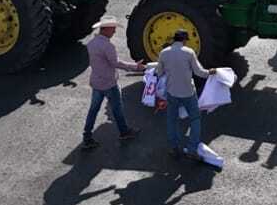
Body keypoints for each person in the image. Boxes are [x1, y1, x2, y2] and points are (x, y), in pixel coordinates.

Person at [153, 30, 219, 161]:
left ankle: (174, 148)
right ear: (184, 40)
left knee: (172, 120)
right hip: (188, 92)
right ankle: (192, 150)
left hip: (172, 92)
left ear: (174, 39)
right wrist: (211, 72)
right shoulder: (189, 52)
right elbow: (199, 72)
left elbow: (158, 73)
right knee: (195, 119)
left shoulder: (164, 53)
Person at [82, 17, 145, 149]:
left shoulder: (92, 43)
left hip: (96, 82)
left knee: (93, 110)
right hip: (109, 83)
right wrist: (135, 66)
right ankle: (124, 132)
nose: (114, 31)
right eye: (113, 28)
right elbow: (116, 63)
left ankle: (87, 137)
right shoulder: (108, 46)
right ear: (105, 29)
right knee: (117, 109)